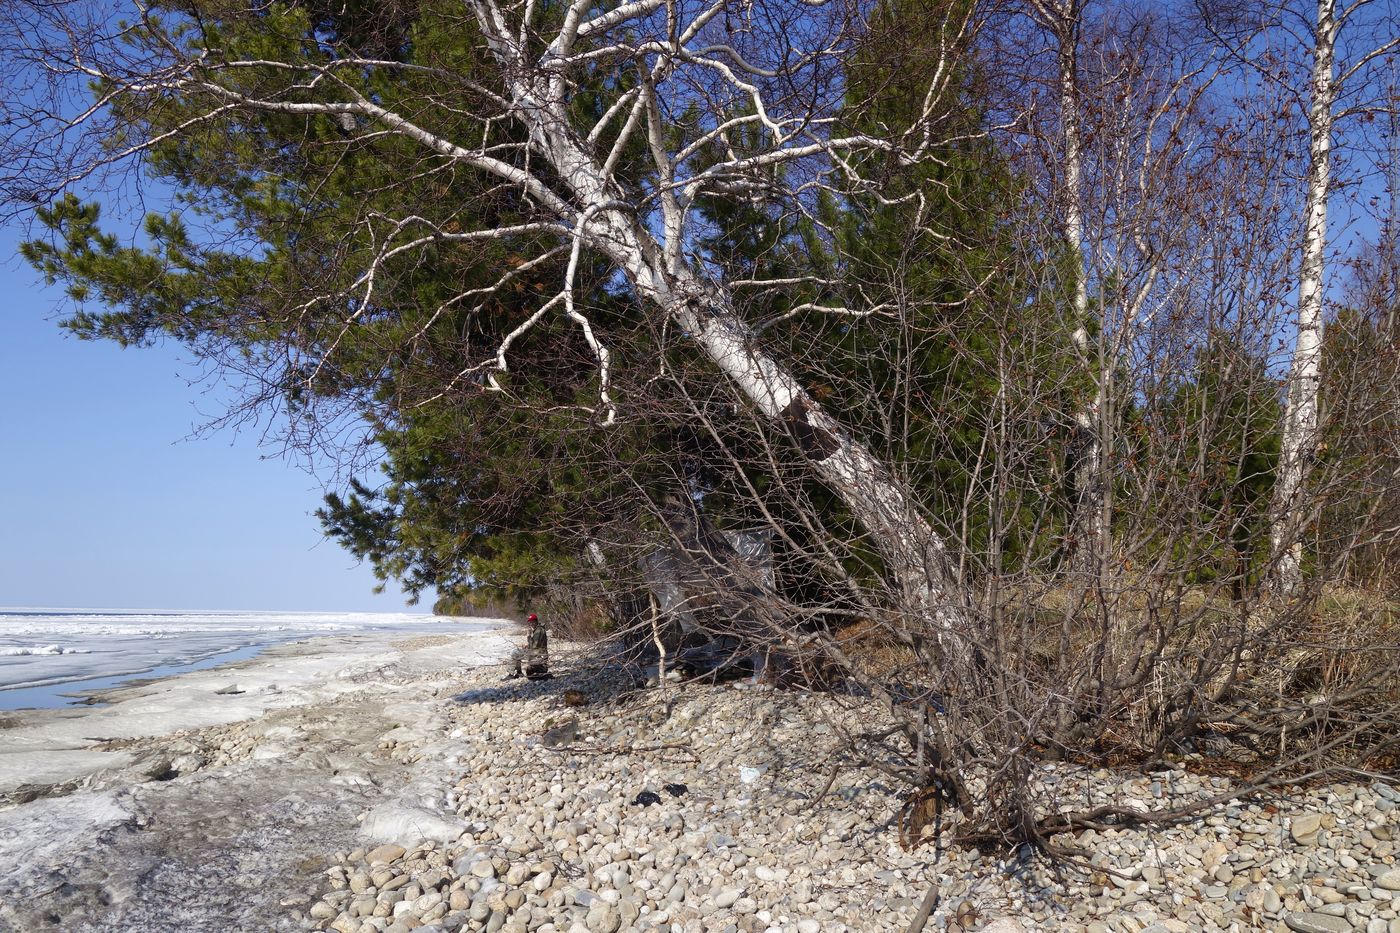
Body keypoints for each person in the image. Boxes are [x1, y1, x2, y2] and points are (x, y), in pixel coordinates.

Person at [507, 613, 549, 680]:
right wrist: (527, 645)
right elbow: (534, 645)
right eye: (530, 622)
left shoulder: (539, 631)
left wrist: (528, 637)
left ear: (536, 621)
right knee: (516, 652)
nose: (531, 623)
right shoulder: (537, 629)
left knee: (514, 652)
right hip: (536, 653)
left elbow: (535, 646)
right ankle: (519, 673)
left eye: (533, 621)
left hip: (537, 655)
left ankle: (511, 674)